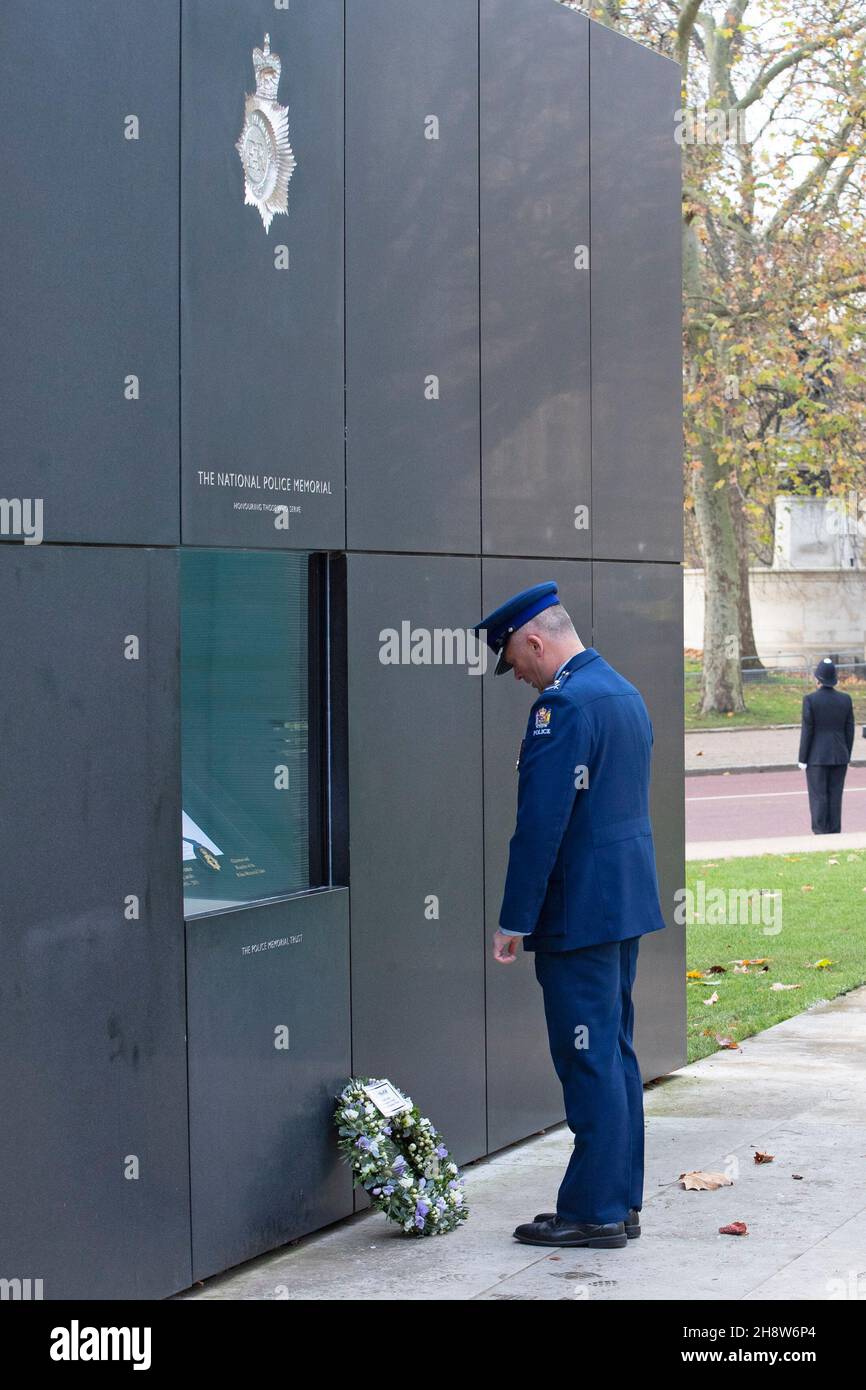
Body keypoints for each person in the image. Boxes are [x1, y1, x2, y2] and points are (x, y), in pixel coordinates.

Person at [473, 581, 667, 1250]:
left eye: (516, 662)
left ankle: (594, 1211)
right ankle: (619, 1199)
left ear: (534, 641)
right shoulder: (620, 691)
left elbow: (542, 825)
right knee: (612, 1052)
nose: (519, 676)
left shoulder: (562, 706)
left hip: (577, 913)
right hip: (619, 905)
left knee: (587, 1058)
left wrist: (513, 919)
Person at [798, 657, 854, 834]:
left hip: (816, 756)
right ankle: (835, 831)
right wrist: (846, 754)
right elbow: (849, 731)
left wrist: (802, 758)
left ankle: (821, 832)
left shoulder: (810, 700)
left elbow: (808, 731)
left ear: (818, 679)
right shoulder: (846, 699)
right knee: (836, 796)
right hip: (840, 754)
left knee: (818, 796)